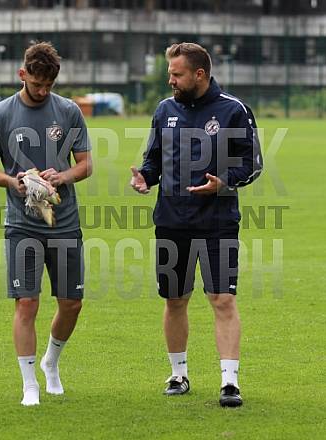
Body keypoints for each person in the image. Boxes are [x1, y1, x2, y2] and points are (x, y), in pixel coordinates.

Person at [130, 42, 262, 407]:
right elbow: (153, 160)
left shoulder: (233, 110)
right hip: (171, 221)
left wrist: (224, 182)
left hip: (218, 222)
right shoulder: (164, 110)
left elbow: (252, 164)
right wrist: (145, 177)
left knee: (222, 298)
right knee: (175, 299)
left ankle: (230, 383)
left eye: (177, 74)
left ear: (199, 74)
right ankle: (178, 374)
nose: (170, 80)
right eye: (170, 73)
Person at [0, 42, 92, 406]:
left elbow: (85, 165)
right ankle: (30, 385)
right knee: (26, 302)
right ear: (22, 74)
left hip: (65, 223)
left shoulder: (69, 111)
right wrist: (11, 181)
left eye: (49, 86)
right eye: (36, 84)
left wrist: (61, 177)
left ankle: (51, 362)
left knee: (71, 304)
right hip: (21, 224)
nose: (42, 91)